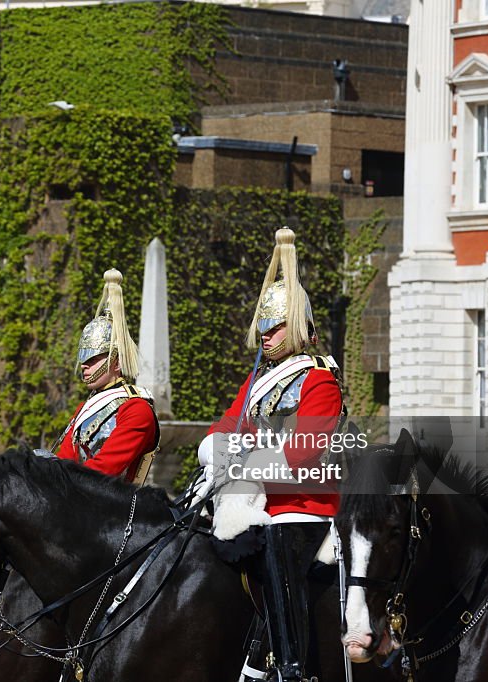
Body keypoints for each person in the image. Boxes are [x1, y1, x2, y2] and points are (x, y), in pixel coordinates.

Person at [197, 228, 346, 682]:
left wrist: (237, 460)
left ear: (297, 325)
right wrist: (224, 458)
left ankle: (291, 667)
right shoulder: (259, 381)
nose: (265, 333)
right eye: (263, 324)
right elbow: (221, 431)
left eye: (275, 324)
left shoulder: (319, 379)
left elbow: (301, 455)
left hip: (305, 506)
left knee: (279, 543)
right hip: (254, 498)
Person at [52, 269, 159, 484]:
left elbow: (103, 471)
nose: (84, 366)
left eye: (93, 359)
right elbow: (65, 459)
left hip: (116, 509)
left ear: (117, 362)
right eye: (83, 359)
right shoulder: (87, 406)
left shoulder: (136, 409)